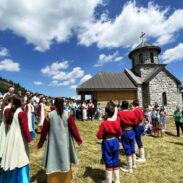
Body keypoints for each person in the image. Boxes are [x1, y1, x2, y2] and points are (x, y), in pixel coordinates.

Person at [37, 98, 82, 183]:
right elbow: (74, 129)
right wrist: (78, 140)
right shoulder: (67, 114)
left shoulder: (50, 115)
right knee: (65, 159)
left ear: (54, 104)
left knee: (53, 158)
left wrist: (41, 143)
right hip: (65, 143)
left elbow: (44, 131)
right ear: (63, 104)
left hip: (53, 143)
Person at [0, 97, 33, 183]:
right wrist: (30, 140)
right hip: (19, 138)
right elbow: (25, 129)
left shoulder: (10, 112)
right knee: (21, 157)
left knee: (11, 156)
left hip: (10, 137)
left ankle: (8, 179)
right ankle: (22, 180)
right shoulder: (21, 113)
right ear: (21, 103)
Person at [97, 101, 121, 183]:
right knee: (115, 159)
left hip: (107, 143)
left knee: (108, 161)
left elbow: (98, 135)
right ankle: (117, 180)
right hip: (115, 142)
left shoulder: (104, 123)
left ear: (106, 112)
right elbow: (120, 133)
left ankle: (108, 181)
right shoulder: (117, 122)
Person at [118, 100, 136, 173]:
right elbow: (134, 122)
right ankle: (134, 164)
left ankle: (130, 168)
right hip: (131, 131)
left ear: (122, 106)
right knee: (132, 148)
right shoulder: (132, 112)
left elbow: (118, 123)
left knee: (127, 149)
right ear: (128, 106)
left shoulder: (120, 113)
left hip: (124, 132)